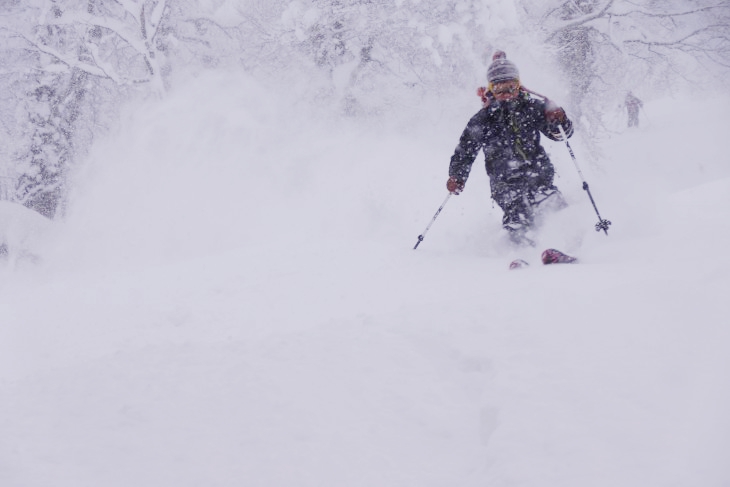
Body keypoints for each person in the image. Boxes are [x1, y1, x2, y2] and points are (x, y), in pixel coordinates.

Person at [446, 51, 574, 246]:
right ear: (491, 89)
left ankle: (568, 242)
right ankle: (523, 252)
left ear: (518, 85)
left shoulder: (533, 107)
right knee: (518, 215)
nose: (505, 94)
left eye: (510, 87)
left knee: (551, 204)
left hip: (538, 173)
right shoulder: (484, 119)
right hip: (504, 182)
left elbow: (561, 135)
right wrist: (457, 176)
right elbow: (465, 150)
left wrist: (559, 120)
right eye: (499, 89)